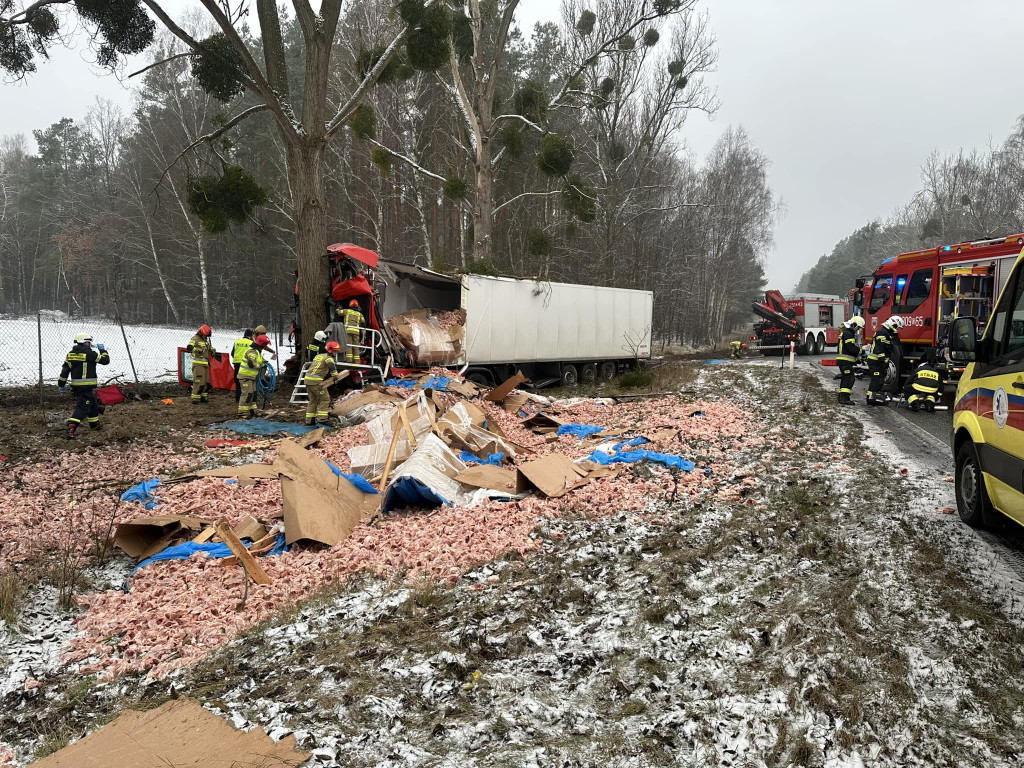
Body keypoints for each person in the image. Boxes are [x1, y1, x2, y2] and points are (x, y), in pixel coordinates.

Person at [57, 334, 110, 439]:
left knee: (92, 407)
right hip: (86, 386)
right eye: (89, 343)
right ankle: (70, 429)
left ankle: (95, 426)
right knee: (82, 409)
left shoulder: (70, 354)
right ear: (86, 342)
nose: (90, 345)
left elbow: (65, 370)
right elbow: (105, 361)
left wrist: (61, 384)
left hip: (77, 387)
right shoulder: (90, 354)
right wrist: (103, 350)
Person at [866, 315, 903, 406]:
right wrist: (882, 360)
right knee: (876, 380)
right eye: (897, 327)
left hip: (879, 362)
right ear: (893, 325)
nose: (897, 329)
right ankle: (870, 398)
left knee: (880, 381)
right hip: (875, 361)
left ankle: (875, 397)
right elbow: (880, 348)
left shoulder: (887, 333)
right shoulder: (882, 333)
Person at [303, 340, 341, 425]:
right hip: (315, 382)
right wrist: (335, 377)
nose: (336, 353)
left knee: (313, 400)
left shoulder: (319, 356)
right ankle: (322, 419)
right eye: (335, 351)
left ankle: (309, 420)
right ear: (331, 350)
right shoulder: (328, 358)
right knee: (325, 398)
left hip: (307, 380)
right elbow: (331, 366)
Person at [238, 334, 271, 419]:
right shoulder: (252, 351)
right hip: (245, 377)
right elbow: (252, 363)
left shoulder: (257, 352)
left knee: (253, 394)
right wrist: (260, 365)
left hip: (251, 377)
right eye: (265, 345)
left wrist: (264, 362)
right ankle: (242, 412)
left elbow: (260, 360)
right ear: (262, 344)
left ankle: (252, 411)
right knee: (247, 394)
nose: (266, 347)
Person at [186, 325, 219, 405]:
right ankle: (195, 398)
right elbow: (189, 347)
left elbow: (207, 349)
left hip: (205, 364)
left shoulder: (205, 340)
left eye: (207, 336)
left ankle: (203, 397)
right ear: (201, 333)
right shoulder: (195, 338)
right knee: (198, 382)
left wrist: (212, 349)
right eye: (205, 335)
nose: (205, 337)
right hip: (198, 364)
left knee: (206, 382)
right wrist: (197, 350)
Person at [836, 316, 865, 406]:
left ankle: (842, 397)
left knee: (847, 378)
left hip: (845, 361)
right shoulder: (848, 333)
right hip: (845, 361)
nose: (858, 330)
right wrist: (861, 351)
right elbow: (850, 347)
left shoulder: (848, 332)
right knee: (848, 378)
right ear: (854, 325)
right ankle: (844, 398)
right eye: (858, 327)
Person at [337, 300, 365, 364]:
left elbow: (338, 312)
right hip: (356, 332)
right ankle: (357, 361)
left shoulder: (347, 311)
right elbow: (363, 324)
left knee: (348, 346)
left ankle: (349, 360)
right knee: (356, 347)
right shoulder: (360, 314)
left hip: (348, 331)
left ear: (350, 305)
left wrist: (339, 309)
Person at [231, 329, 254, 404]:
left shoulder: (237, 342)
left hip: (237, 363)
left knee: (238, 380)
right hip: (246, 364)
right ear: (250, 336)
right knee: (246, 380)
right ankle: (246, 398)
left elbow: (232, 353)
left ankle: (238, 398)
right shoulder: (251, 342)